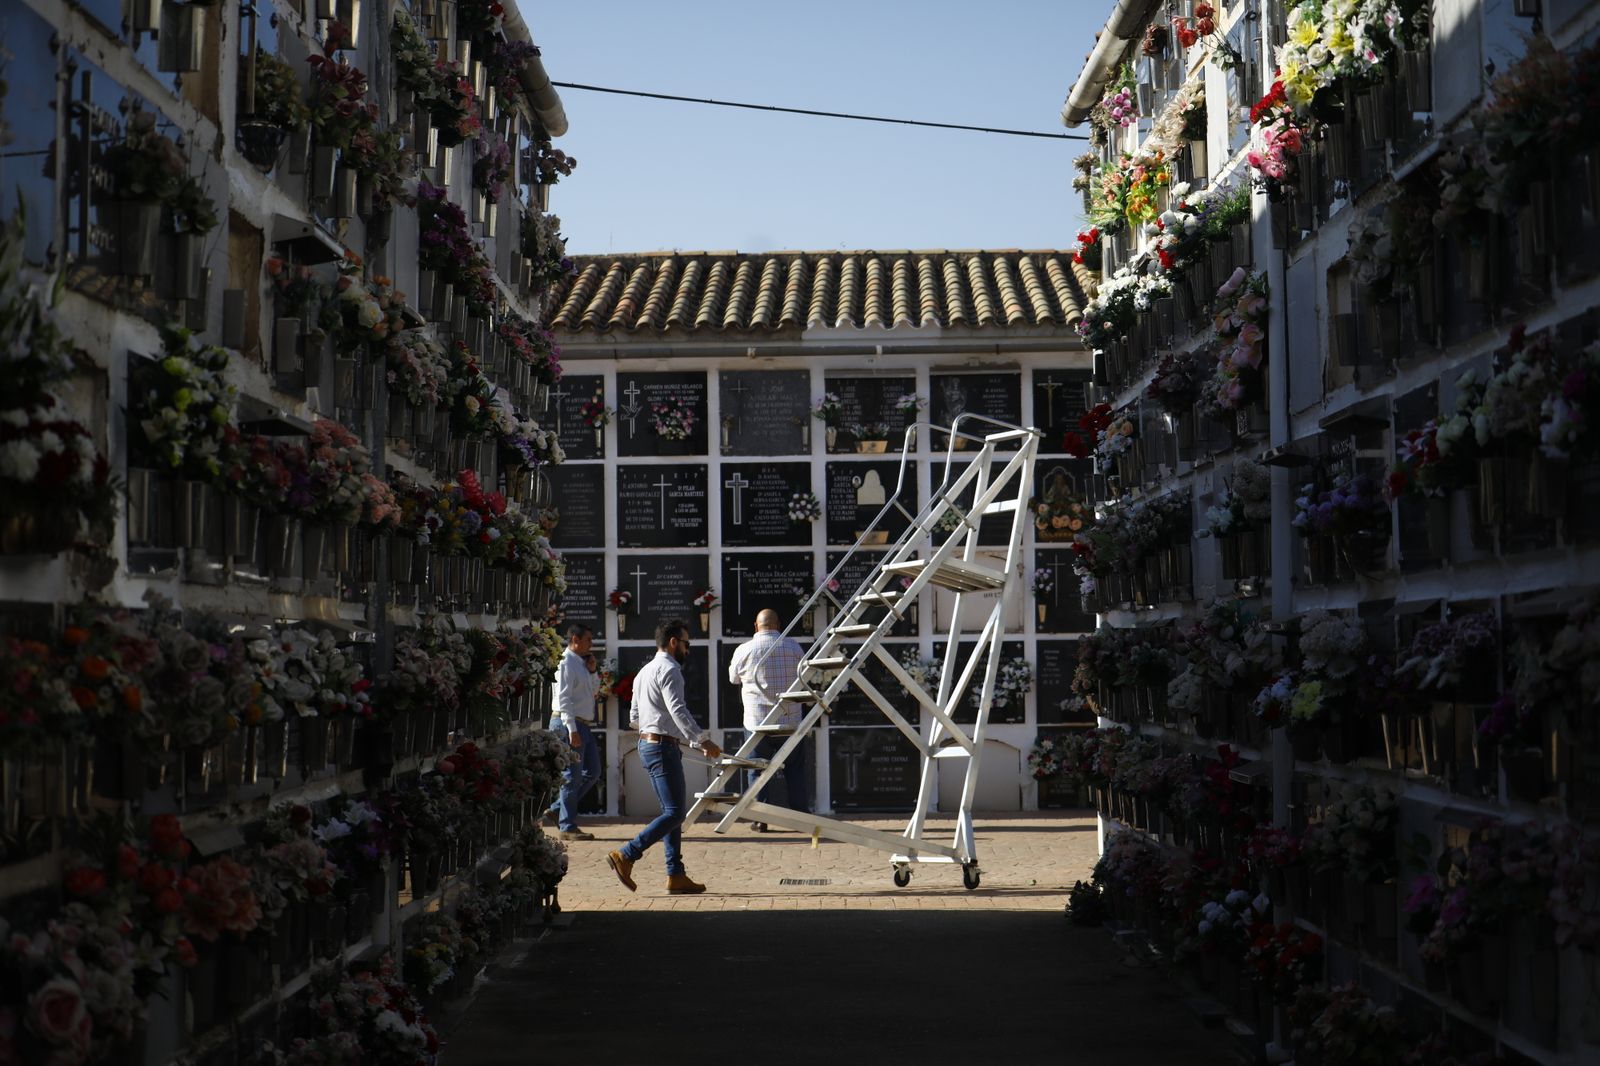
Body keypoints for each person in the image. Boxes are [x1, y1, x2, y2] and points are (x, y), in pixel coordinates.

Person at [607, 619, 722, 894]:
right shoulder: (670, 670)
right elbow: (678, 710)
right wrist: (701, 739)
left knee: (671, 813)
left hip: (648, 744)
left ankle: (676, 874)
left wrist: (653, 729)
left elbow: (634, 716)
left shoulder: (644, 671)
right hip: (662, 746)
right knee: (674, 812)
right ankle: (627, 854)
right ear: (673, 642)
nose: (688, 649)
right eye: (686, 643)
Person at [727, 608, 809, 831]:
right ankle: (800, 817)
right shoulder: (793, 647)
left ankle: (759, 818)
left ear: (756, 626)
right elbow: (805, 676)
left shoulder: (744, 650)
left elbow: (733, 678)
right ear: (778, 624)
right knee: (795, 769)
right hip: (790, 722)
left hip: (757, 723)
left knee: (756, 770)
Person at [548, 623, 602, 841]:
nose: (592, 643)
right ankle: (567, 826)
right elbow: (564, 698)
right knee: (571, 776)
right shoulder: (566, 662)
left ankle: (557, 809)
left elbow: (594, 692)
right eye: (588, 639)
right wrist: (571, 729)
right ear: (575, 640)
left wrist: (593, 671)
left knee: (593, 772)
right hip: (568, 723)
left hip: (583, 724)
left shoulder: (581, 663)